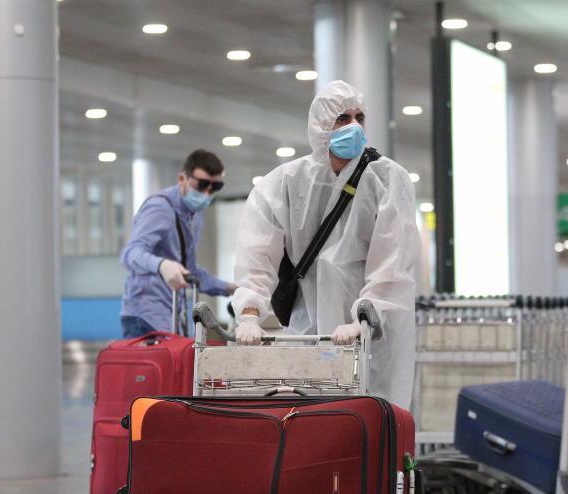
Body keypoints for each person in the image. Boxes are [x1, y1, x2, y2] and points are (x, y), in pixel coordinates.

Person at [232, 80, 419, 412]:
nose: (354, 127)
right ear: (320, 126)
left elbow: (393, 262)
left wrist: (367, 314)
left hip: (370, 335)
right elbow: (257, 257)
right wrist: (248, 315)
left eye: (359, 117)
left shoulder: (388, 179)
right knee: (309, 424)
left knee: (370, 424)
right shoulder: (283, 183)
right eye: (342, 118)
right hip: (307, 331)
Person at [119, 149, 237, 338]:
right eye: (201, 185)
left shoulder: (195, 216)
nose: (206, 194)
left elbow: (189, 271)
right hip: (146, 318)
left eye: (214, 188)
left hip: (173, 313)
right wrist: (162, 265)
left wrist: (231, 288)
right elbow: (130, 254)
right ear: (182, 178)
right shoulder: (160, 208)